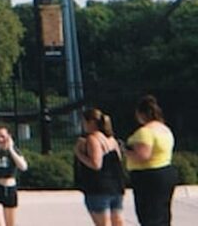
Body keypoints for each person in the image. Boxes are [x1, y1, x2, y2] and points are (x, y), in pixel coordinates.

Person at [124, 94, 175, 226]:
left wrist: (126, 151)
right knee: (162, 213)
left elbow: (143, 156)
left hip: (148, 176)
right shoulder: (164, 129)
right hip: (165, 170)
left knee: (149, 214)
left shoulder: (145, 132)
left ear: (141, 114)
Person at [73, 107, 125, 226]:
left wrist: (79, 153)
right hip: (116, 186)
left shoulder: (93, 139)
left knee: (103, 223)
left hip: (98, 187)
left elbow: (96, 164)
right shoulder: (111, 139)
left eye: (84, 122)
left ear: (90, 122)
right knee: (118, 221)